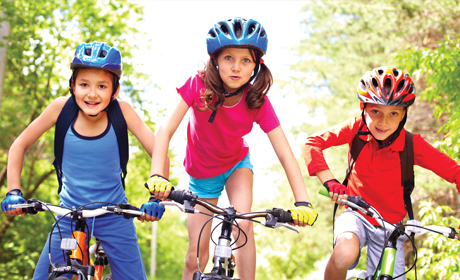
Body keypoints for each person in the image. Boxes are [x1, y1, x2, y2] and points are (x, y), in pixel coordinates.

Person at [146, 17, 318, 280]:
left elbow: (284, 152)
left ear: (256, 65)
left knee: (243, 224)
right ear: (215, 59)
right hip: (202, 175)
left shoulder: (256, 100)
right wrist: (158, 174)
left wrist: (302, 201)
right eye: (229, 58)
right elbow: (165, 130)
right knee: (196, 255)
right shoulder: (197, 84)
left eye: (245, 60)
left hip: (236, 165)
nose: (236, 67)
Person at [1, 41, 167, 280]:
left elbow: (159, 151)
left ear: (115, 90)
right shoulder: (60, 109)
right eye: (84, 84)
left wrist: (155, 197)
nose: (92, 93)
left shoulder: (123, 112)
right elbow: (19, 146)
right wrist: (13, 191)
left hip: (114, 215)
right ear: (72, 86)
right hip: (69, 213)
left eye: (102, 86)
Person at [301, 66, 460, 280]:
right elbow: (312, 143)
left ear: (404, 114)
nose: (383, 122)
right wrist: (330, 181)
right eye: (375, 112)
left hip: (391, 229)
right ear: (363, 107)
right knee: (343, 255)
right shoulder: (356, 129)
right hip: (356, 213)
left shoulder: (412, 145)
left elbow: (456, 173)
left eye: (393, 114)